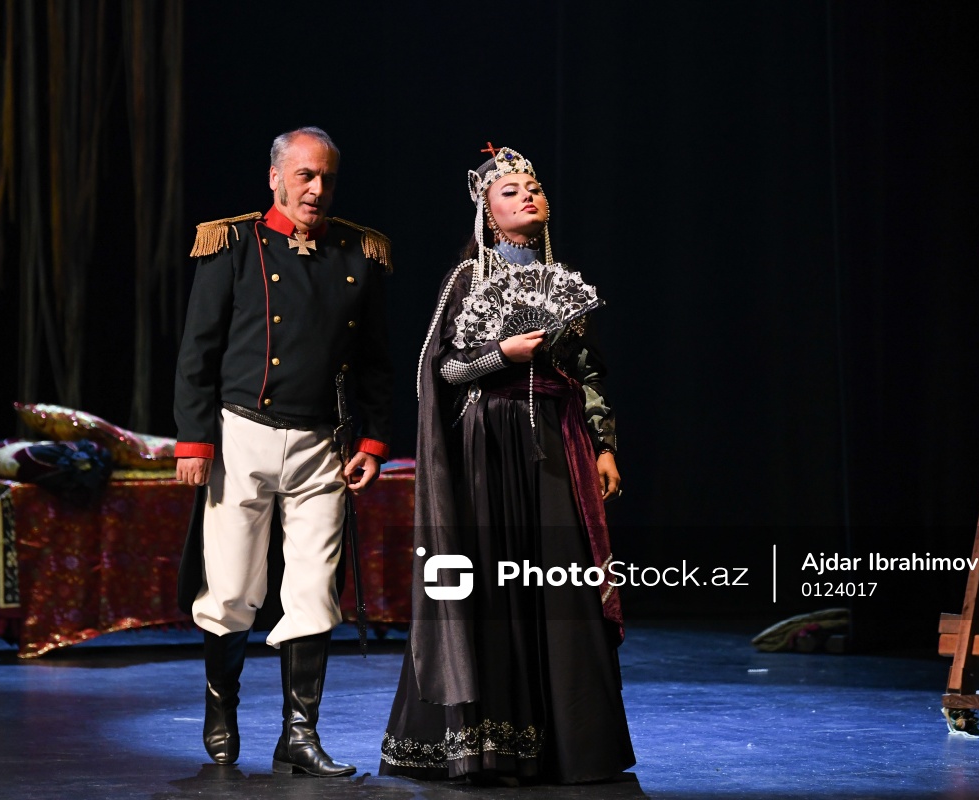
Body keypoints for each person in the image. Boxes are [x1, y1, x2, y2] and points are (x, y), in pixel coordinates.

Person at [379, 145, 634, 785]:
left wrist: (603, 444)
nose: (527, 196)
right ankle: (487, 745)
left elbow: (589, 373)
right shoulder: (468, 279)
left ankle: (569, 746)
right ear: (487, 212)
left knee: (562, 583)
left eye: (534, 187)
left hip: (556, 441)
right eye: (510, 190)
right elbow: (444, 368)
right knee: (491, 584)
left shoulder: (564, 280)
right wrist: (502, 353)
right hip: (488, 443)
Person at [173, 126, 393, 777]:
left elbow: (375, 361)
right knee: (231, 587)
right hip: (240, 435)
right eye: (305, 175)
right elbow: (197, 352)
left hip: (322, 442)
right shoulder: (234, 244)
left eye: (326, 178)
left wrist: (373, 440)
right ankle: (221, 710)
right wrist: (193, 440)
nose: (317, 189)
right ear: (275, 177)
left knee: (313, 590)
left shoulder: (358, 251)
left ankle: (299, 734)